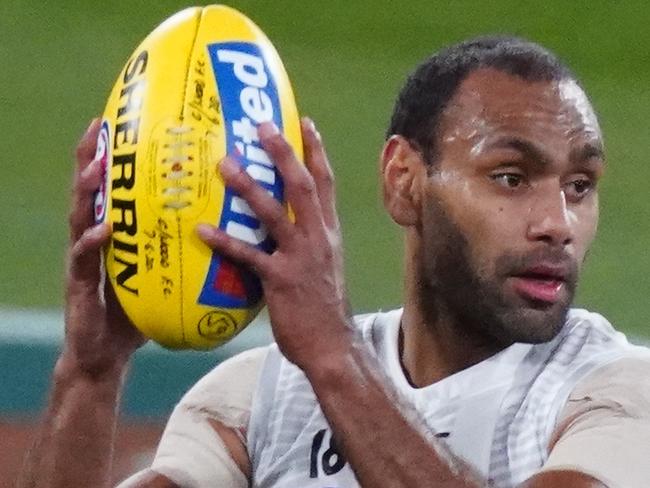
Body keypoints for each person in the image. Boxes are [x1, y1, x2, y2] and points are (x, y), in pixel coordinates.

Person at [18, 36, 650, 488]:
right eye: (511, 178)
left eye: (579, 186)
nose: (557, 226)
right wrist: (89, 377)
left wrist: (334, 356)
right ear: (404, 181)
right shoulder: (259, 400)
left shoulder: (613, 393)